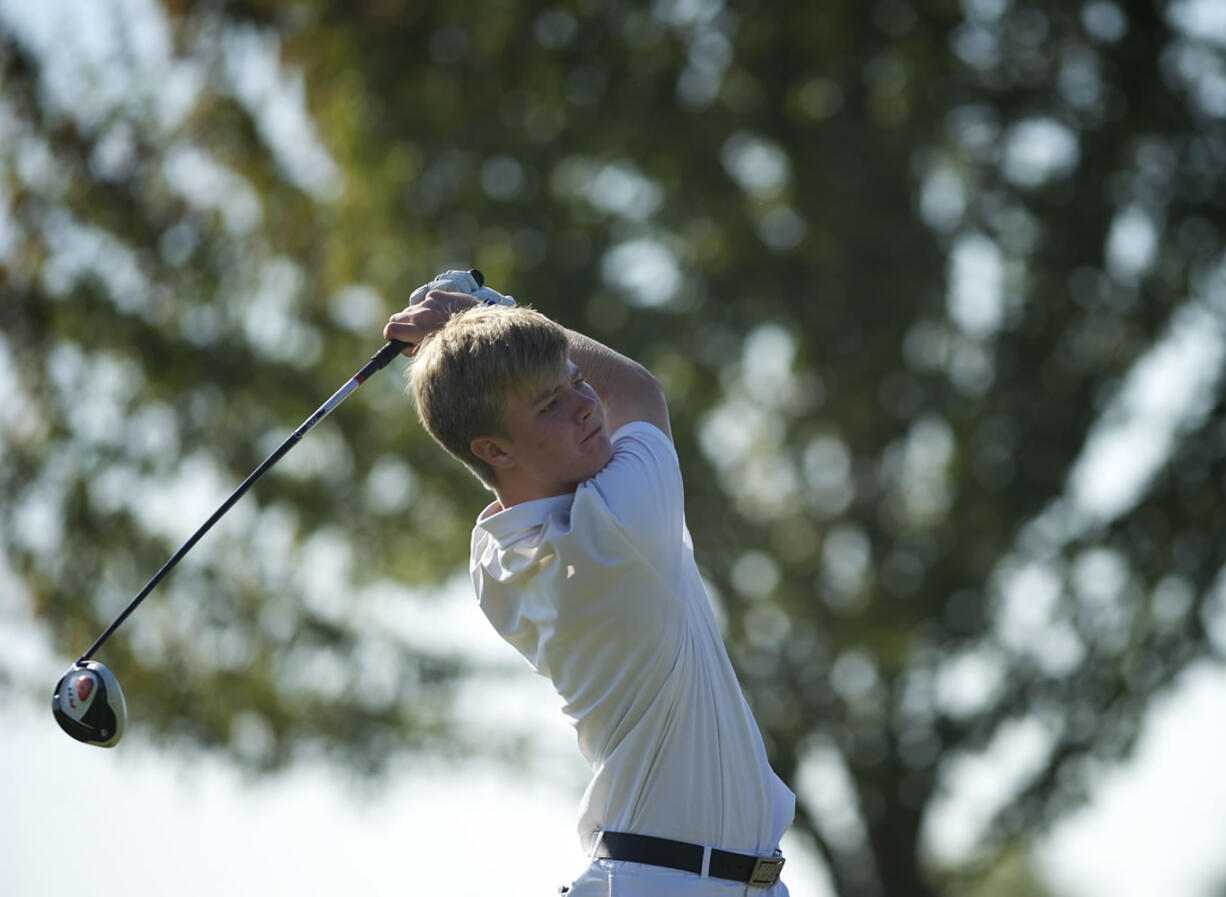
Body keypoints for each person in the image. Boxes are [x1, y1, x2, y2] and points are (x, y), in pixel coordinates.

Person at [384, 271, 795, 896]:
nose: (585, 405)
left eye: (575, 382)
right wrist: (481, 310)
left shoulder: (494, 560)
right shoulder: (620, 525)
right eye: (551, 404)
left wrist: (483, 338)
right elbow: (634, 387)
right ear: (493, 450)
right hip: (670, 882)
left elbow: (536, 468)